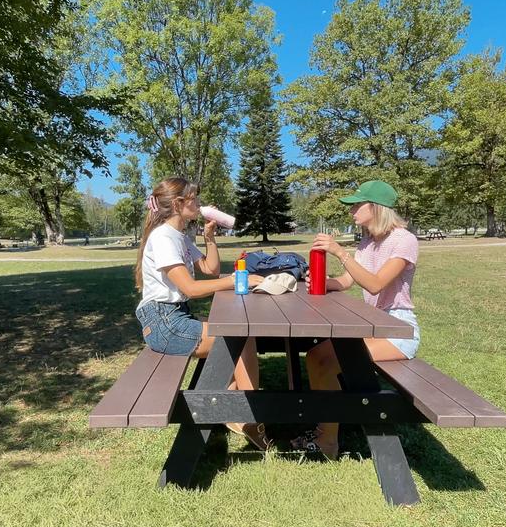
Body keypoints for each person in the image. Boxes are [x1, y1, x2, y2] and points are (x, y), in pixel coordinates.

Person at [134, 177, 269, 449]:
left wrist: (210, 238)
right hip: (164, 323)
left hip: (174, 317)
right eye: (194, 198)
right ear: (178, 203)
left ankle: (234, 408)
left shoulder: (180, 236)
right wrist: (236, 280)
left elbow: (210, 270)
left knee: (241, 336)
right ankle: (249, 416)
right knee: (242, 339)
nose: (199, 203)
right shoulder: (163, 238)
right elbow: (192, 288)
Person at [292, 180, 421, 460]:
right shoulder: (368, 241)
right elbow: (350, 279)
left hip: (397, 331)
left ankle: (328, 441)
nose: (351, 211)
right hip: (372, 324)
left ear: (375, 207)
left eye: (356, 205)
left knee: (331, 360)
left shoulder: (404, 240)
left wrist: (340, 252)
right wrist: (326, 283)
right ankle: (325, 427)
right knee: (317, 356)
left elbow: (374, 284)